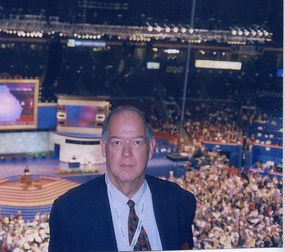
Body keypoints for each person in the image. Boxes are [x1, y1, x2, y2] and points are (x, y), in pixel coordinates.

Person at [49, 105, 196, 251]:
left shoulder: (180, 202)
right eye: (117, 143)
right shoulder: (68, 211)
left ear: (150, 148)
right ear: (103, 147)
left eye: (136, 142)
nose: (127, 153)